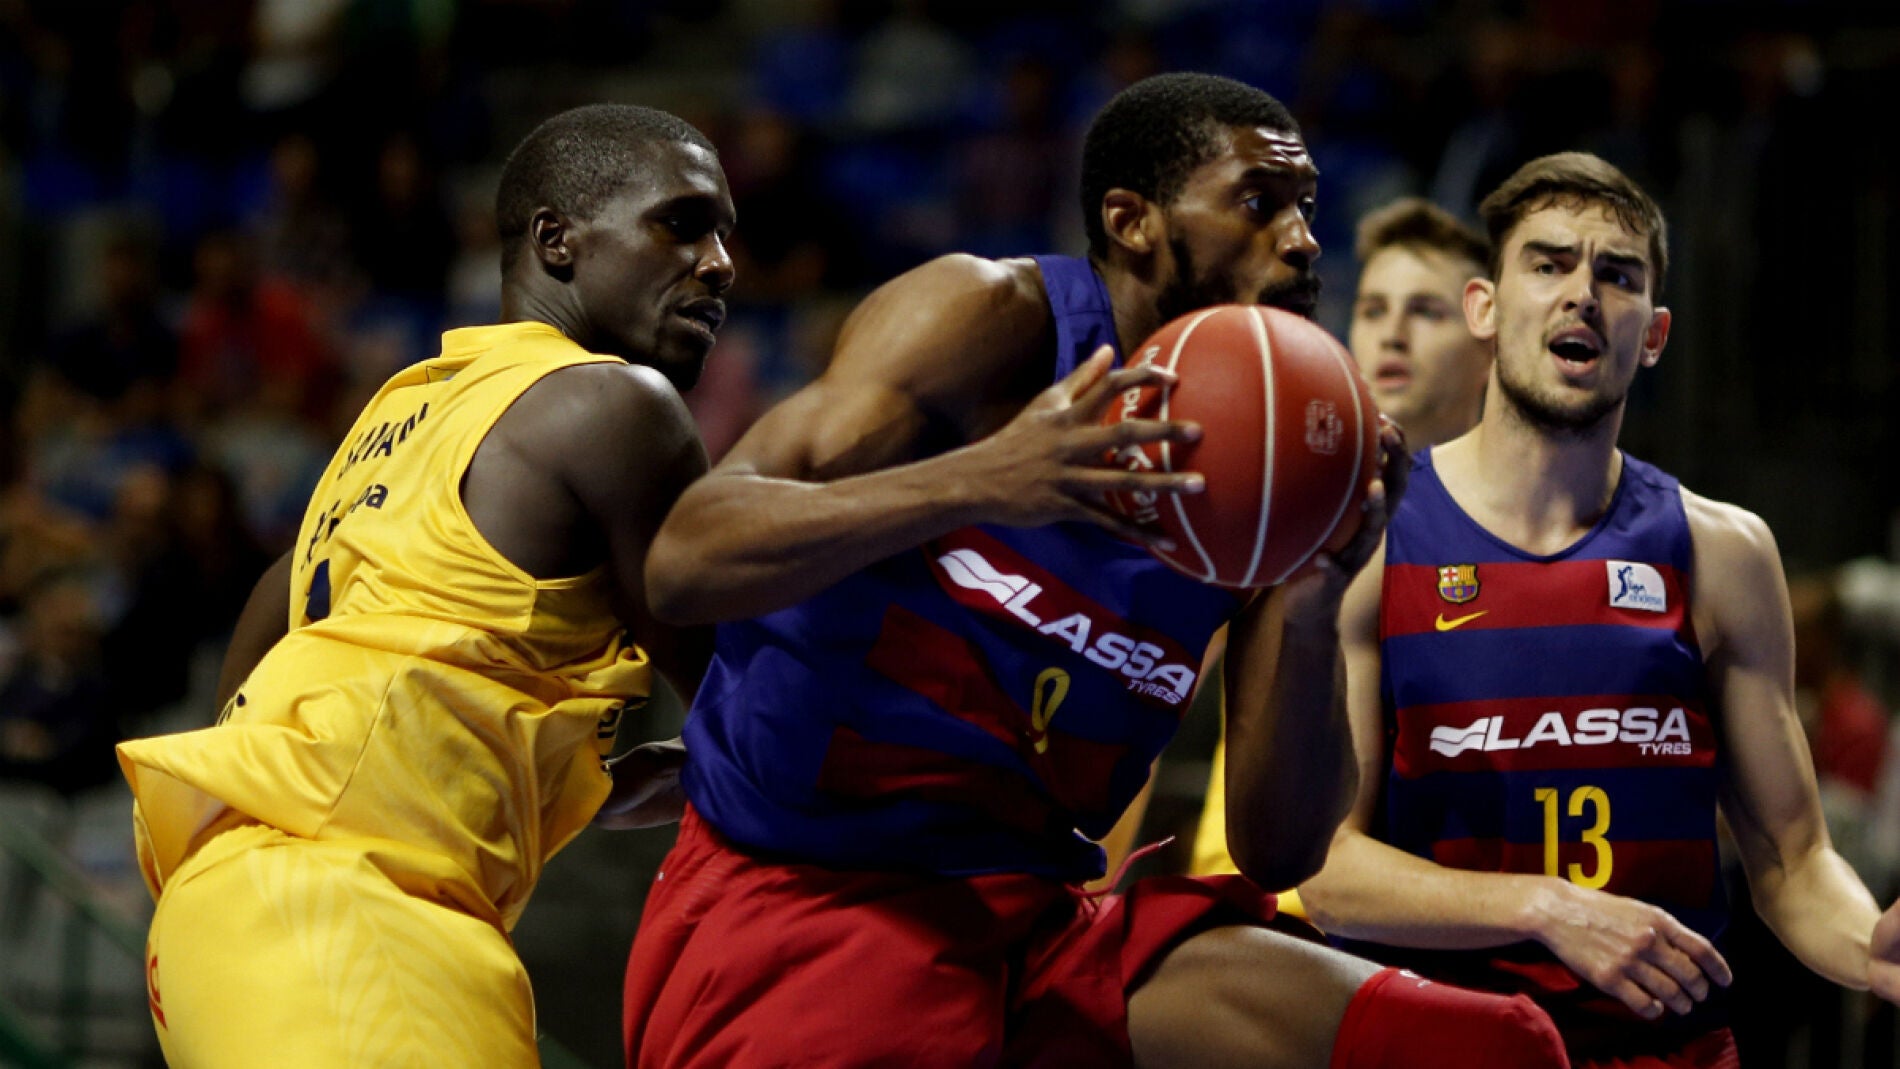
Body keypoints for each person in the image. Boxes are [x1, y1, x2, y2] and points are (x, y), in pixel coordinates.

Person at [621, 72, 1567, 1069]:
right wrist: (983, 479)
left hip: (1033, 920)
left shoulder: (1273, 453)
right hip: (810, 890)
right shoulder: (990, 320)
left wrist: (1311, 598)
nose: (1300, 240)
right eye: (1258, 203)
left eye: (1304, 207)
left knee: (1489, 1047)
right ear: (1131, 221)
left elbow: (1280, 850)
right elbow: (687, 558)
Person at [115, 103, 730, 1068]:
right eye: (682, 223)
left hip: (233, 916)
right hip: (353, 912)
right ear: (557, 239)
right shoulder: (612, 404)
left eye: (726, 234)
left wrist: (537, 775)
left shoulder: (409, 409)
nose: (720, 262)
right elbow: (752, 703)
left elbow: (283, 602)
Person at [1291, 151, 1900, 1067]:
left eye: (1617, 276)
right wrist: (1547, 907)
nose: (1582, 293)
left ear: (1652, 335)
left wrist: (1870, 949)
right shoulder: (1374, 536)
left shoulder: (1724, 552)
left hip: (1667, 1050)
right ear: (1485, 308)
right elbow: (1329, 868)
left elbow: (1793, 860)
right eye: (1548, 263)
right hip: (1447, 1043)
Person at [1188, 197, 1494, 881]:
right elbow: (1145, 694)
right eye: (1374, 309)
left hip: (1390, 915)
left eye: (1427, 311)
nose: (1393, 335)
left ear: (1490, 339)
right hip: (1243, 900)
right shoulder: (1279, 508)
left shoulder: (1513, 543)